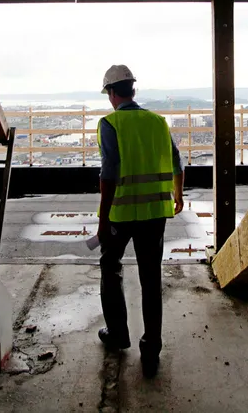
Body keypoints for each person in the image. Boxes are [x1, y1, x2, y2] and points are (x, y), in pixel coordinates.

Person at [95, 64, 184, 378]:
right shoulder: (157, 122)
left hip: (121, 214)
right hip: (154, 214)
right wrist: (179, 194)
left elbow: (109, 174)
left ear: (112, 93)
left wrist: (103, 219)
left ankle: (118, 334)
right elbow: (176, 160)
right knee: (150, 278)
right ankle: (151, 349)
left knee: (110, 265)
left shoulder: (111, 123)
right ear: (132, 89)